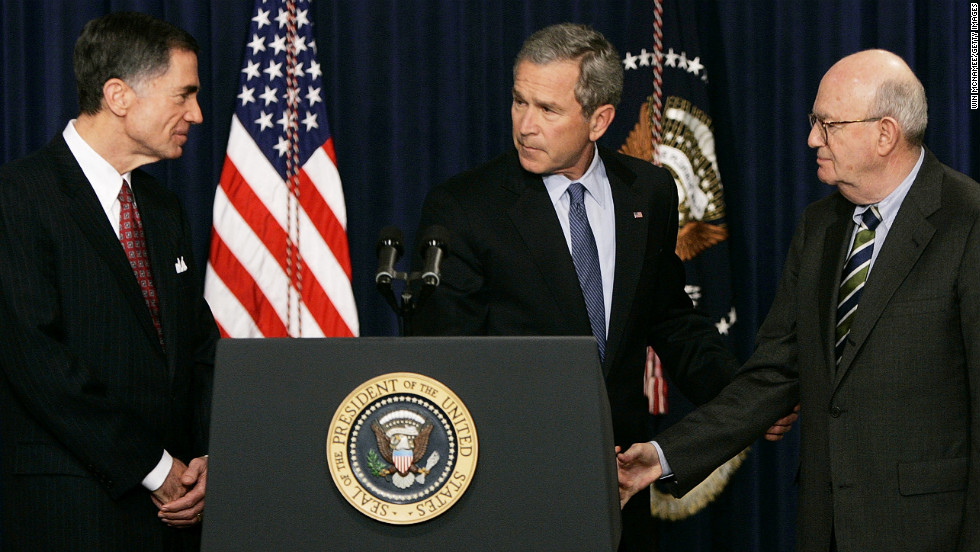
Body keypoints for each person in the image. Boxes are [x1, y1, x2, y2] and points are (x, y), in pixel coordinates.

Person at [409, 23, 794, 551]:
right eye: (519, 102)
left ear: (600, 120)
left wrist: (746, 400)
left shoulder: (650, 191)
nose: (525, 125)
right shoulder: (465, 207)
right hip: (511, 487)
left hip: (618, 482)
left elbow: (671, 319)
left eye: (547, 110)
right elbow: (449, 367)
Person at [617, 49, 980, 552]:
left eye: (827, 124)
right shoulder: (819, 227)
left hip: (930, 532)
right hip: (824, 527)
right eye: (815, 122)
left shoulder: (968, 221)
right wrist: (662, 456)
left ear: (885, 134)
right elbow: (773, 372)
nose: (812, 138)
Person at [0, 12, 218, 551]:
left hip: (179, 515)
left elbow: (198, 348)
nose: (197, 113)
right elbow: (38, 360)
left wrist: (209, 459)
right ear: (119, 95)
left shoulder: (163, 209)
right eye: (183, 95)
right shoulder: (18, 196)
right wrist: (153, 467)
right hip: (71, 508)